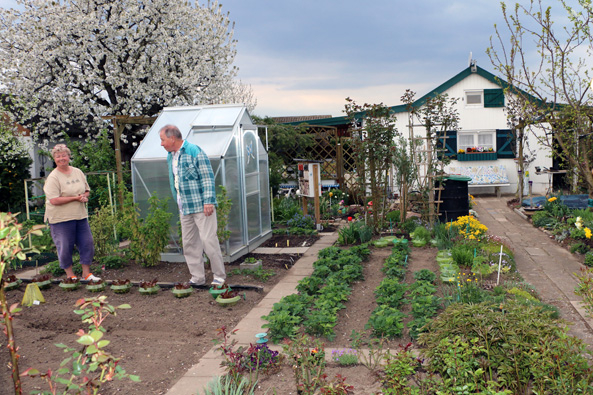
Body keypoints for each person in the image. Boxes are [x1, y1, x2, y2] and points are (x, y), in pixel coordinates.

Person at [159, 124, 226, 286]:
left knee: (208, 241)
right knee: (189, 243)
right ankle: (197, 277)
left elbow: (207, 177)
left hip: (202, 206)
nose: (161, 144)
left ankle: (219, 276)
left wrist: (209, 201)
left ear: (172, 138)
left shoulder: (194, 151)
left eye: (163, 140)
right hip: (185, 207)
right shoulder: (171, 156)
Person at [44, 144, 100, 281]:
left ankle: (86, 274)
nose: (61, 158)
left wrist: (84, 196)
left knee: (87, 243)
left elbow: (87, 190)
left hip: (80, 216)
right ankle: (70, 275)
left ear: (69, 157)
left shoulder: (77, 172)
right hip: (60, 218)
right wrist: (75, 198)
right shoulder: (53, 177)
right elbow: (54, 200)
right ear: (54, 159)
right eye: (58, 156)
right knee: (65, 246)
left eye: (64, 155)